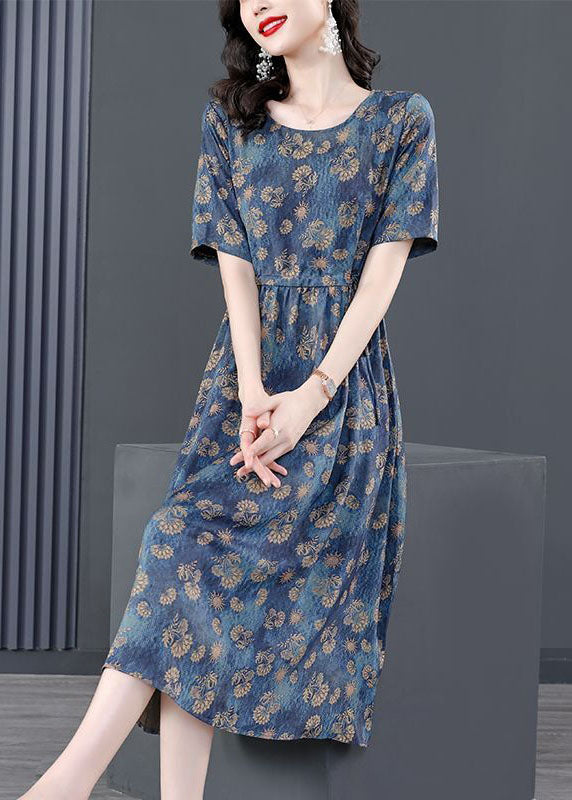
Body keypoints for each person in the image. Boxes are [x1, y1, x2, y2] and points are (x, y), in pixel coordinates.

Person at [20, 1, 438, 798]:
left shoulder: (400, 121)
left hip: (341, 401)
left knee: (188, 570)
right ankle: (70, 786)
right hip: (241, 389)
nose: (259, 3)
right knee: (180, 550)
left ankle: (61, 789)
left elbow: (382, 275)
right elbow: (236, 265)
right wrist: (252, 389)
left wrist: (310, 396)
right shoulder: (230, 122)